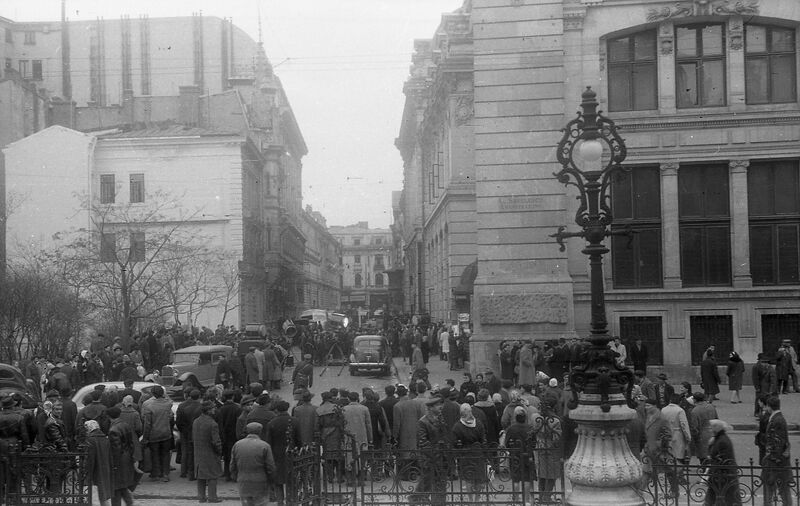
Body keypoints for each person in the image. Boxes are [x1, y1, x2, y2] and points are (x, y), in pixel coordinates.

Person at [413, 396, 449, 506]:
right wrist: (434, 453)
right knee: (426, 482)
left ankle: (439, 503)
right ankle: (415, 500)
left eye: (441, 404)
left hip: (441, 457)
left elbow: (444, 436)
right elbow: (423, 442)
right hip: (430, 458)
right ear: (431, 407)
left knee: (440, 483)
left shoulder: (441, 419)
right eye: (438, 405)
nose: (440, 407)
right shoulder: (423, 422)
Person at [231, 422, 276, 506]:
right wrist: (271, 479)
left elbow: (233, 464)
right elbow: (270, 466)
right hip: (260, 481)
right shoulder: (265, 446)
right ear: (260, 432)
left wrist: (236, 477)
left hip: (243, 480)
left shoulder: (237, 445)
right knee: (260, 503)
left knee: (246, 503)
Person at [452, 403, 488, 502]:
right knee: (477, 478)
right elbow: (483, 439)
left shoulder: (457, 426)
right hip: (477, 453)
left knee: (469, 478)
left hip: (466, 454)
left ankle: (471, 500)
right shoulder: (478, 424)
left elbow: (455, 442)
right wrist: (485, 452)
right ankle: (476, 500)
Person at [762, 395, 791, 505]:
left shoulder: (777, 420)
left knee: (779, 488)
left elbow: (778, 442)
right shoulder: (777, 418)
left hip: (776, 462)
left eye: (767, 406)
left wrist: (771, 457)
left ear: (769, 406)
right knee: (778, 488)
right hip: (776, 460)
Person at [141, 385, 174, 482]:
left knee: (154, 454)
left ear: (153, 394)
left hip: (154, 434)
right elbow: (171, 416)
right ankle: (165, 474)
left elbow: (147, 424)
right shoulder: (168, 403)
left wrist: (145, 438)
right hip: (166, 432)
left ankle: (156, 473)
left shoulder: (148, 405)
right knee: (165, 454)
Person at [704, 419, 741, 506]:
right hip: (721, 475)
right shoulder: (719, 439)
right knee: (717, 497)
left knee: (724, 497)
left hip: (723, 475)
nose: (710, 430)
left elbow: (719, 457)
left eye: (711, 428)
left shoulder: (722, 441)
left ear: (716, 429)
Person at [193, 401, 223, 503]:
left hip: (198, 452)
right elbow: (216, 441)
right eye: (213, 408)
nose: (215, 409)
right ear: (209, 410)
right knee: (212, 475)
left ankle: (201, 497)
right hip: (210, 453)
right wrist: (219, 451)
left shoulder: (196, 421)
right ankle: (212, 497)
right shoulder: (212, 424)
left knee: (200, 475)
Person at [107, 407, 136, 506]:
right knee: (122, 485)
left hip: (119, 460)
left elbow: (116, 449)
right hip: (127, 457)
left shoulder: (113, 430)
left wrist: (114, 464)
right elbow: (131, 443)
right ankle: (129, 502)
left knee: (116, 485)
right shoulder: (125, 425)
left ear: (109, 417)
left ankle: (118, 504)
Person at [84, 420, 113, 506]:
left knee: (93, 496)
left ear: (89, 429)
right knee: (103, 496)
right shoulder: (105, 439)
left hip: (95, 472)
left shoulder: (90, 440)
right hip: (105, 470)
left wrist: (87, 474)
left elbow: (90, 460)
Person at [176, 389, 203, 480]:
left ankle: (184, 471)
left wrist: (183, 430)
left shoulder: (182, 406)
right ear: (199, 396)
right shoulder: (201, 407)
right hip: (197, 432)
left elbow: (178, 421)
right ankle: (195, 471)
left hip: (185, 432)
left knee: (185, 451)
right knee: (196, 452)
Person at [661, 393, 691, 466]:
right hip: (678, 435)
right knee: (678, 456)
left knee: (669, 456)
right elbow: (684, 425)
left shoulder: (663, 410)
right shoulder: (680, 410)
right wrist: (688, 437)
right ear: (680, 401)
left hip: (666, 435)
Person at [689, 392, 717, 463]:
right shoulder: (711, 407)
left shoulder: (695, 411)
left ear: (695, 400)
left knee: (703, 459)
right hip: (713, 433)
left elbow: (694, 427)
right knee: (713, 457)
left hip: (702, 436)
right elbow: (717, 419)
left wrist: (694, 439)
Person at [753, 353, 778, 417]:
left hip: (767, 389)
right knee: (760, 400)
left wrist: (771, 391)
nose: (762, 364)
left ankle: (766, 414)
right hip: (762, 388)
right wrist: (757, 387)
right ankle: (760, 413)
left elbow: (773, 381)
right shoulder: (757, 367)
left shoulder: (771, 369)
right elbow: (755, 378)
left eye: (763, 362)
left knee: (767, 401)